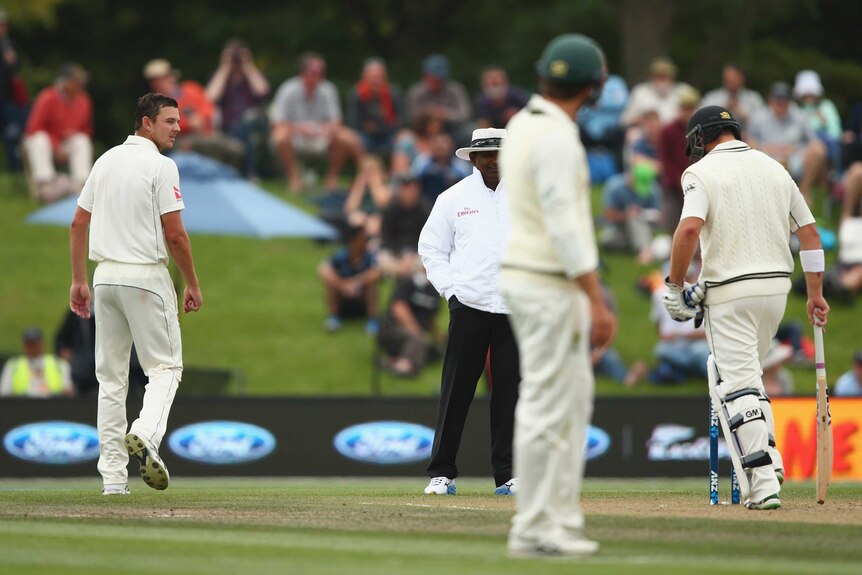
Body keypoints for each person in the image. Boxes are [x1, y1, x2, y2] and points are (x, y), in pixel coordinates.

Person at [664, 105, 829, 511]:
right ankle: (770, 461)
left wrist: (674, 285)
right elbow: (810, 233)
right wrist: (815, 293)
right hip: (776, 290)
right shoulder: (775, 168)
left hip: (731, 293)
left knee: (737, 385)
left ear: (701, 138)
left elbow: (688, 228)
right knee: (750, 379)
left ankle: (761, 483)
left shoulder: (699, 173)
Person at [499, 34, 616, 558]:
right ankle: (533, 527)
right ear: (593, 87)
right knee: (548, 403)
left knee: (570, 402)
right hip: (547, 281)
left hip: (534, 277)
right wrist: (596, 297)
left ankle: (560, 518)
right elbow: (564, 224)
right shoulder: (557, 137)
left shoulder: (523, 125)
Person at [69, 93, 204, 495]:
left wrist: (78, 279)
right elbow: (175, 234)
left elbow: (78, 223)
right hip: (145, 275)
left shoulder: (105, 160)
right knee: (165, 369)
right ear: (147, 123)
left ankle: (113, 481)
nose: (177, 128)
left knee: (110, 380)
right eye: (169, 121)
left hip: (104, 277)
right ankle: (145, 432)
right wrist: (193, 282)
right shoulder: (162, 166)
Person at [417, 127, 520, 498]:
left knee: (509, 392)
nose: (493, 160)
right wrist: (452, 292)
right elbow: (430, 248)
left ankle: (507, 476)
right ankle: (441, 472)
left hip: (514, 307)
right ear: (473, 159)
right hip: (470, 306)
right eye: (486, 154)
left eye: (499, 153)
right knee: (456, 390)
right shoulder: (453, 198)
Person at [270, 52, 364, 193]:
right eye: (315, 71)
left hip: (321, 136)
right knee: (279, 136)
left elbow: (337, 121)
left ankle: (339, 178)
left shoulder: (328, 89)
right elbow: (276, 122)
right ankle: (294, 178)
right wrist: (299, 128)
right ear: (303, 72)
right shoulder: (287, 89)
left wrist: (327, 129)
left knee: (348, 137)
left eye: (321, 71)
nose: (320, 74)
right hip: (295, 136)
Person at [144, 58, 244, 169]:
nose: (160, 84)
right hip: (179, 141)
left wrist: (201, 117)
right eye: (156, 81)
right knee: (212, 147)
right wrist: (188, 124)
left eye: (163, 79)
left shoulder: (191, 89)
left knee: (236, 148)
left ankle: (234, 178)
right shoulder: (155, 103)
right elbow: (161, 129)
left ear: (171, 77)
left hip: (206, 134)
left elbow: (208, 107)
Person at [748, 82, 829, 205]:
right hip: (766, 158)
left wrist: (795, 148)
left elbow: (814, 142)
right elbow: (749, 139)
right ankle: (755, 195)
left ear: (789, 102)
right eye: (777, 101)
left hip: (794, 160)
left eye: (783, 101)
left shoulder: (800, 116)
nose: (780, 104)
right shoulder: (759, 117)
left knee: (818, 150)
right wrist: (764, 148)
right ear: (770, 100)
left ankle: (803, 193)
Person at [23, 62, 92, 202]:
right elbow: (33, 128)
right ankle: (45, 184)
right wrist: (54, 145)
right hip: (47, 144)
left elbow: (87, 130)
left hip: (65, 145)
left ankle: (81, 185)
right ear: (65, 82)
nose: (80, 84)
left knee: (81, 140)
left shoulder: (84, 101)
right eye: (76, 81)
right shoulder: (47, 97)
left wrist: (73, 134)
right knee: (38, 139)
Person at [205, 39, 271, 178]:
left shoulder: (252, 76)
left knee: (248, 119)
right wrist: (224, 67)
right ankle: (250, 173)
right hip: (228, 126)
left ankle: (244, 172)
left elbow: (262, 91)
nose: (235, 61)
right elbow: (210, 97)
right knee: (242, 129)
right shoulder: (220, 77)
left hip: (254, 125)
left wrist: (248, 65)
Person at [378, 265, 441, 377]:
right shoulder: (407, 283)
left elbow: (432, 317)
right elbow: (398, 308)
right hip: (394, 328)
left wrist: (437, 337)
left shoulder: (434, 291)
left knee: (435, 351)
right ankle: (405, 366)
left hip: (416, 334)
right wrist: (417, 332)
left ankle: (393, 361)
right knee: (418, 340)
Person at [318, 224, 381, 335]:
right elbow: (323, 270)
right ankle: (334, 317)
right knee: (331, 284)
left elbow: (377, 272)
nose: (366, 241)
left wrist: (357, 282)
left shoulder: (369, 257)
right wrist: (342, 285)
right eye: (363, 238)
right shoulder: (340, 256)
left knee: (372, 286)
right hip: (343, 299)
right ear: (354, 241)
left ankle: (372, 320)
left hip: (361, 299)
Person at [657, 86, 700, 233]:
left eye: (690, 108)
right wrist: (677, 179)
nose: (687, 113)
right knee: (673, 222)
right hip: (673, 185)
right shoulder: (668, 131)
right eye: (684, 108)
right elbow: (666, 159)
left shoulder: (699, 132)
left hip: (696, 181)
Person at [406, 54, 472, 146]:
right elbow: (413, 118)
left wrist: (443, 113)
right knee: (405, 138)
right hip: (424, 132)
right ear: (425, 76)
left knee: (469, 132)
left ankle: (466, 159)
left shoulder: (456, 89)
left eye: (440, 79)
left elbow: (465, 115)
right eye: (434, 78)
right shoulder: (416, 92)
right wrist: (428, 114)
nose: (438, 81)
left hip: (452, 130)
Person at [378, 173, 431, 277]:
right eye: (406, 188)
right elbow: (386, 238)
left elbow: (428, 238)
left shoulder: (425, 209)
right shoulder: (390, 209)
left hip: (417, 252)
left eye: (413, 188)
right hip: (395, 253)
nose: (410, 192)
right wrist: (401, 254)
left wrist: (411, 254)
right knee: (382, 259)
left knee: (426, 262)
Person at [347, 57, 404, 156]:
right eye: (373, 77)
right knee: (355, 139)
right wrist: (380, 125)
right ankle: (365, 169)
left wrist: (377, 126)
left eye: (379, 77)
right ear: (364, 77)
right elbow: (354, 123)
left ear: (385, 77)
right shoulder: (357, 94)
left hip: (389, 135)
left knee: (404, 138)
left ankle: (397, 170)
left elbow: (401, 121)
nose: (376, 81)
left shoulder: (393, 94)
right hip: (365, 136)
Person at [0, 327, 74, 397]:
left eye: (34, 343)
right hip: (22, 406)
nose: (32, 347)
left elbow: (68, 390)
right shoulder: (13, 365)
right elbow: (4, 392)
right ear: (24, 345)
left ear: (42, 343)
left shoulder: (59, 364)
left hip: (52, 405)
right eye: (29, 343)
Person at [700, 63, 765, 129]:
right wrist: (722, 111)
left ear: (742, 78)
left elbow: (764, 124)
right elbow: (701, 120)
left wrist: (743, 114)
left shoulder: (754, 98)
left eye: (734, 78)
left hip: (747, 137)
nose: (731, 80)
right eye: (727, 78)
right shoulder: (712, 97)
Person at [411, 132, 471, 202]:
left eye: (444, 143)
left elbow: (468, 187)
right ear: (431, 146)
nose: (441, 146)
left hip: (454, 202)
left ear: (452, 146)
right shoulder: (422, 161)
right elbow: (413, 182)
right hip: (425, 203)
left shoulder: (461, 166)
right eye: (437, 144)